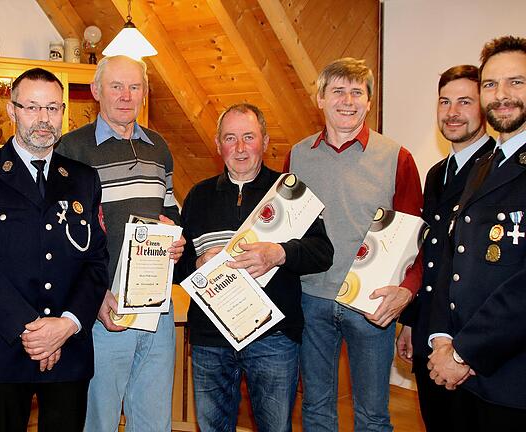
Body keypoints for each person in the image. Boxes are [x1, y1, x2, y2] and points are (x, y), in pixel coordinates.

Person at [0, 67, 109, 432]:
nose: (44, 119)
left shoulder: (83, 178)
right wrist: (33, 329)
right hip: (2, 346)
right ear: (12, 110)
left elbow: (96, 261)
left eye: (53, 108)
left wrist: (66, 324)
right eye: (33, 107)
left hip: (69, 347)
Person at [285, 57, 423, 431]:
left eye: (357, 92)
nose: (347, 101)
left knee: (373, 414)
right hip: (311, 299)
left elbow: (415, 239)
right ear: (320, 99)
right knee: (315, 407)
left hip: (370, 304)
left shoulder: (397, 157)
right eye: (338, 91)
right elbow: (287, 227)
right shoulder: (298, 155)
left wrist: (406, 297)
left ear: (369, 101)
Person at [177, 103, 333, 432]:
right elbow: (177, 268)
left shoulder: (290, 193)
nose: (240, 147)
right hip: (211, 340)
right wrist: (198, 263)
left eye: (249, 137)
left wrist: (279, 253)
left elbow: (322, 253)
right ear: (219, 145)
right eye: (230, 138)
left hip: (273, 338)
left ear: (265, 141)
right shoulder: (198, 196)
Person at [57, 55, 185, 432]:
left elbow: (171, 209)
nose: (126, 95)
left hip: (156, 309)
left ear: (144, 93)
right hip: (105, 308)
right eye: (116, 86)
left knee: (153, 420)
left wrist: (174, 238)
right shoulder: (72, 149)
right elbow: (62, 238)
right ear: (96, 91)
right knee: (100, 419)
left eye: (135, 87)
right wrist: (92, 299)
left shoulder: (158, 148)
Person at [427, 35, 526, 431]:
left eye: (516, 82)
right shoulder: (486, 165)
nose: (501, 95)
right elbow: (455, 256)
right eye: (490, 85)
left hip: (513, 378)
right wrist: (440, 338)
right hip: (469, 375)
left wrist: (463, 352)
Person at [395, 65, 494, 431]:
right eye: (445, 102)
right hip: (428, 331)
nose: (452, 112)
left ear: (484, 105)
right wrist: (411, 320)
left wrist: (462, 346)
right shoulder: (438, 172)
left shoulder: (496, 172)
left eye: (464, 102)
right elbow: (431, 253)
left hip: (467, 344)